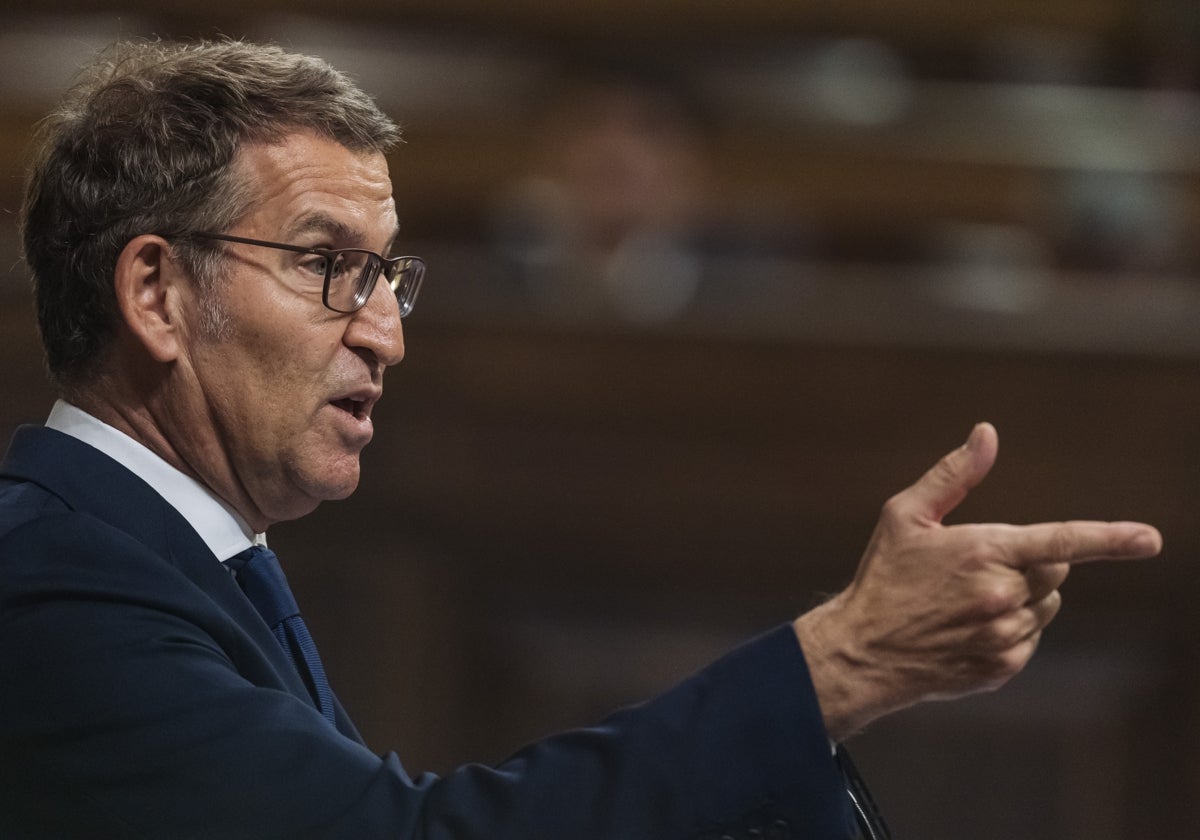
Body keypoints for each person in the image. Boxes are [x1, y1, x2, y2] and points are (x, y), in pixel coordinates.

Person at [0, 39, 1161, 840]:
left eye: (389, 276)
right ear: (154, 293)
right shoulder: (56, 581)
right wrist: (838, 664)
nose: (387, 336)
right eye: (328, 268)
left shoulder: (165, 553)